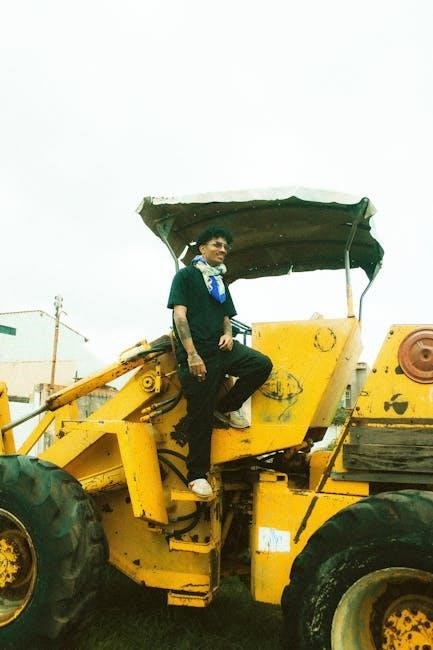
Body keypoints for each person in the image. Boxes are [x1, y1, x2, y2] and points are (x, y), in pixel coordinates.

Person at [167, 225, 273, 497]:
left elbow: (226, 317)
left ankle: (226, 407)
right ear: (202, 248)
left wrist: (228, 334)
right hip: (198, 353)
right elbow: (179, 316)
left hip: (222, 349)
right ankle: (196, 476)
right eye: (217, 244)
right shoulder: (186, 276)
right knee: (200, 418)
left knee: (261, 365)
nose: (223, 249)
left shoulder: (219, 281)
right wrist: (192, 355)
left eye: (226, 246)